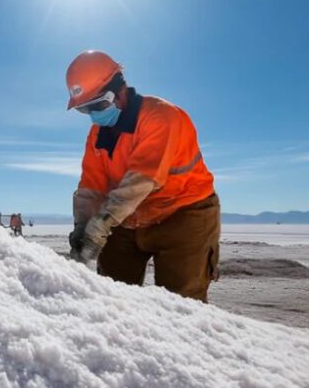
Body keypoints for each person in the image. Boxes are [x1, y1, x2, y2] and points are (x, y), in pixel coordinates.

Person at [65, 50, 219, 302]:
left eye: (98, 105)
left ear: (120, 89)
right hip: (126, 217)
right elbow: (90, 186)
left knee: (183, 304)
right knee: (112, 296)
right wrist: (82, 228)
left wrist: (101, 224)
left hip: (182, 213)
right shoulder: (97, 135)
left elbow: (143, 178)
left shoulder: (160, 117)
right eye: (85, 109)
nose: (94, 115)